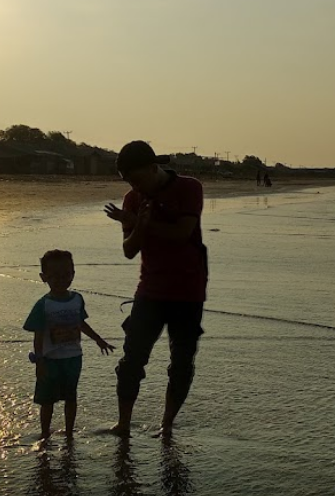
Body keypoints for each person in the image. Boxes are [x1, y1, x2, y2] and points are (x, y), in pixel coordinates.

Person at [104, 141, 208, 439]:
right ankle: (123, 424)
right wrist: (135, 225)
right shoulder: (132, 199)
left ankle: (166, 425)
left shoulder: (189, 188)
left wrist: (139, 223)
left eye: (137, 180)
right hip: (150, 289)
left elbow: (181, 233)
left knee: (181, 362)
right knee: (131, 359)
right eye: (128, 182)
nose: (135, 187)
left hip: (189, 289)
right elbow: (128, 250)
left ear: (153, 169)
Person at [23, 249, 115, 440]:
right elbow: (38, 334)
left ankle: (69, 432)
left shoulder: (77, 299)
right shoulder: (43, 305)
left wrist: (98, 339)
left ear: (73, 274)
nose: (61, 280)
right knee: (47, 400)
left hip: (73, 357)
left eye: (66, 275)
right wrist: (39, 360)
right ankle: (45, 433)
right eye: (54, 276)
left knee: (71, 396)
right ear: (44, 277)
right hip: (50, 359)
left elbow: (80, 323)